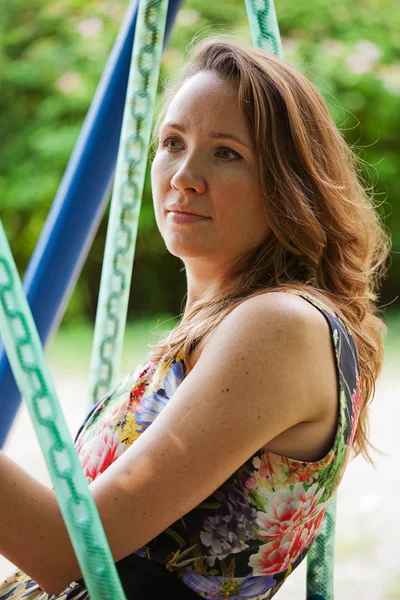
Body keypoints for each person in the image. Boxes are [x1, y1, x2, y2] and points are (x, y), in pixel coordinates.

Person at [0, 36, 391, 600]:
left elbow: (74, 552)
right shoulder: (217, 331)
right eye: (172, 142)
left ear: (288, 184)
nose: (184, 175)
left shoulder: (282, 326)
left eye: (226, 152)